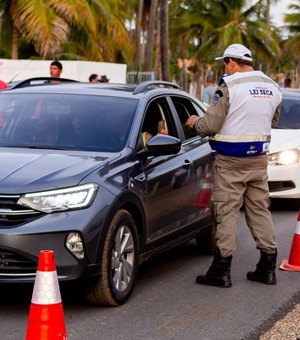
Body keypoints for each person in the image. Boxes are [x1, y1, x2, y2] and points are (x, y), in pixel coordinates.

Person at [186, 43, 282, 288]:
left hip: (230, 162)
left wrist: (195, 121)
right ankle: (268, 266)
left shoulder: (229, 86)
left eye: (224, 64)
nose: (224, 69)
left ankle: (221, 270)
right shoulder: (272, 86)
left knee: (226, 213)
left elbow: (210, 126)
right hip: (259, 160)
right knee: (260, 210)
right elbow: (273, 119)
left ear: (231, 62)